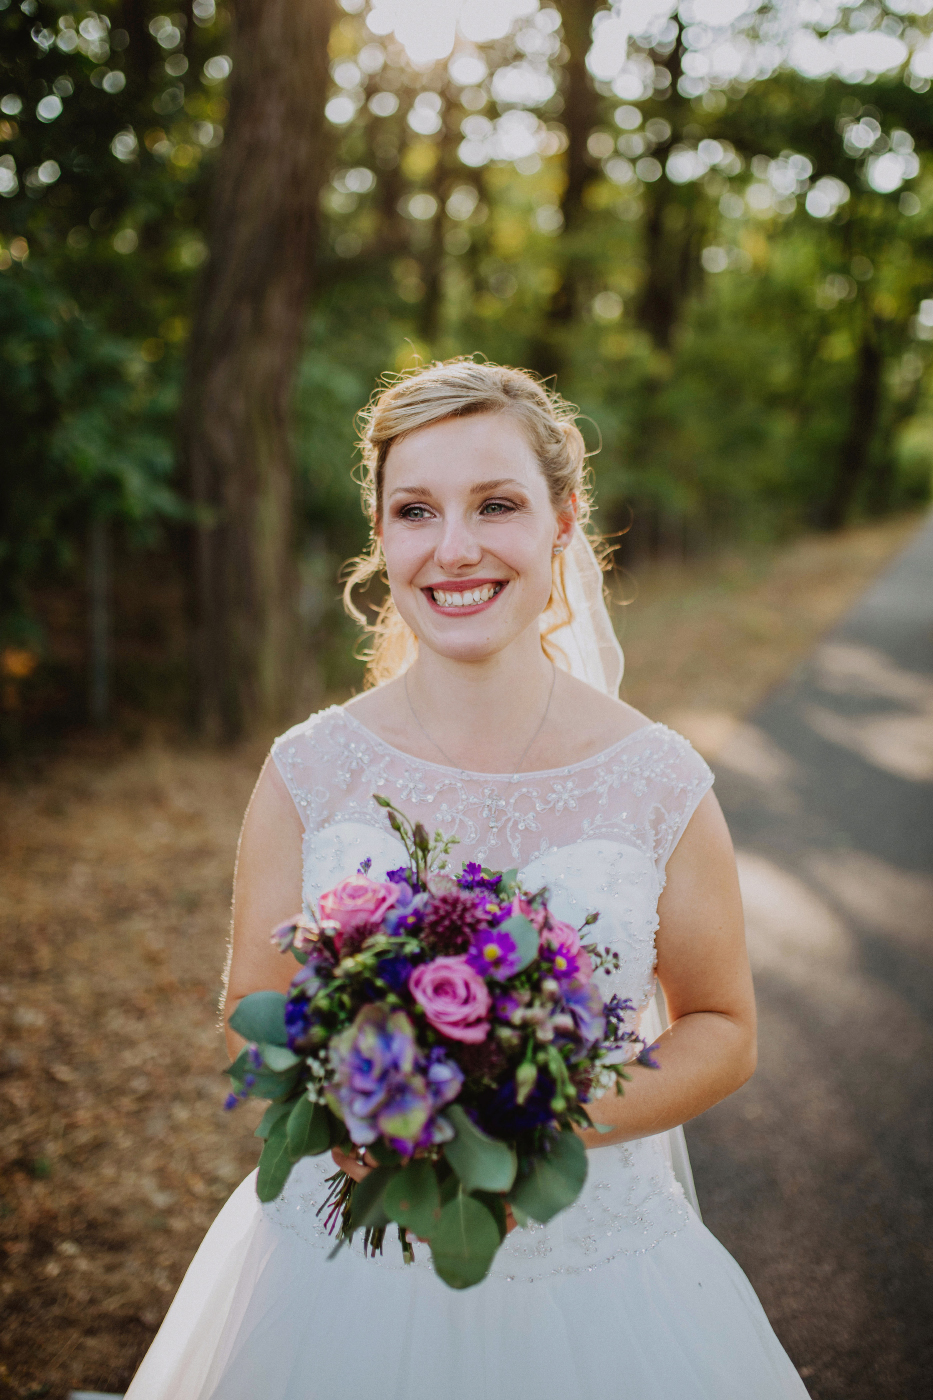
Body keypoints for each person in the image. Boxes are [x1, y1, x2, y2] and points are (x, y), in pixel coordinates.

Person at [125, 360, 809, 1399]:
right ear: (382, 534)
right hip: (338, 1274)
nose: (455, 548)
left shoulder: (659, 779)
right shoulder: (308, 770)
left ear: (563, 522)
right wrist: (371, 1114)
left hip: (603, 1275)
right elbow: (251, 1013)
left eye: (497, 504)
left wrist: (530, 1116)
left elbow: (723, 1026)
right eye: (416, 511)